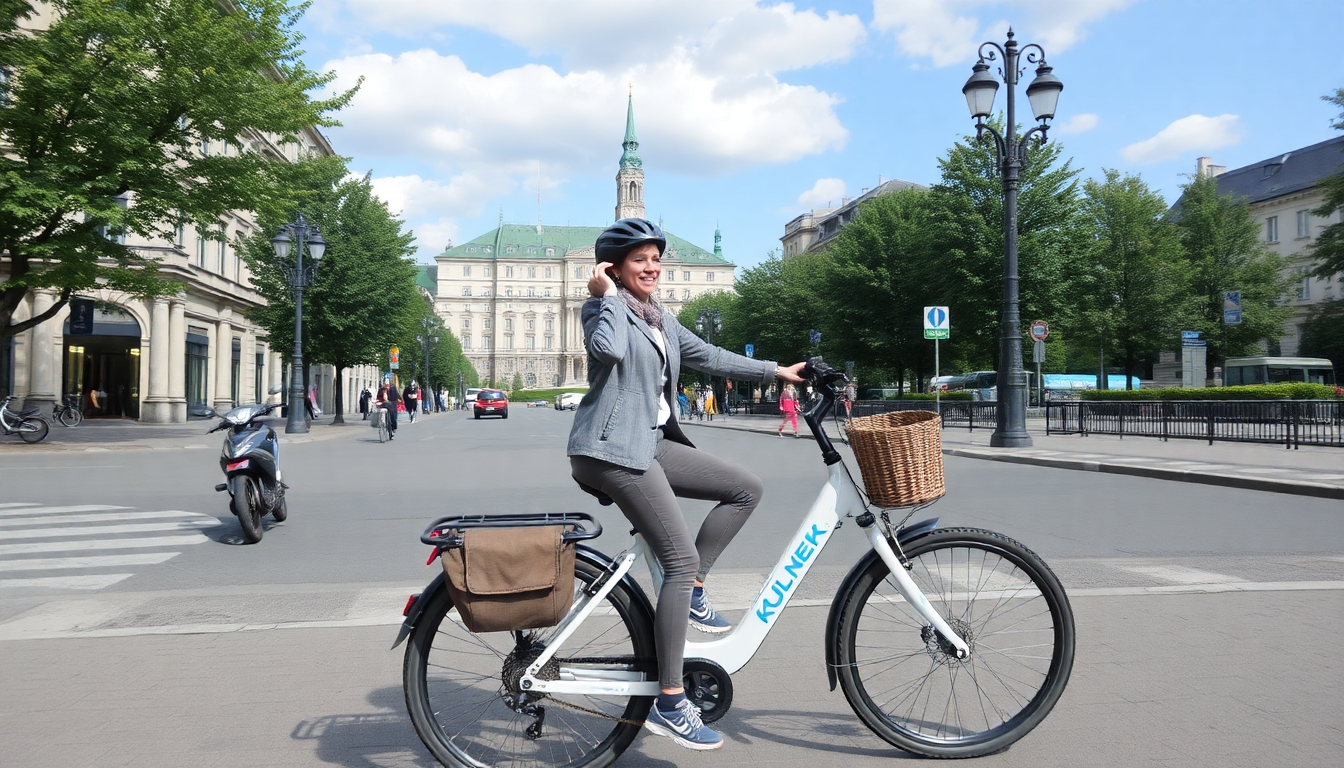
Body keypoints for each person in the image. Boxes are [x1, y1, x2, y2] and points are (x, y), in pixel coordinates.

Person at [567, 218, 805, 751]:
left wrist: (777, 372)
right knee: (677, 559)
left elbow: (710, 356)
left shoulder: (660, 319)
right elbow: (606, 353)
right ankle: (671, 702)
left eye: (656, 259)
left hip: (648, 444)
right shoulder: (602, 310)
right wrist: (605, 296)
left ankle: (694, 590)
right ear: (613, 268)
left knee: (745, 488)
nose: (652, 267)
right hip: (610, 450)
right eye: (639, 260)